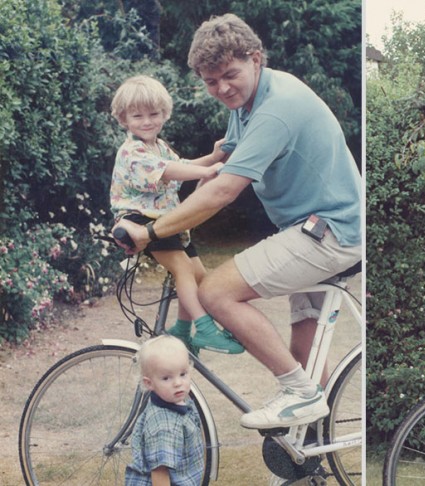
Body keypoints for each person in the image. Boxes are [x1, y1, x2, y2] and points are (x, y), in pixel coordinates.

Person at [114, 14, 361, 430]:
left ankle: (299, 394)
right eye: (211, 82)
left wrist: (152, 231)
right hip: (313, 228)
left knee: (216, 292)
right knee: (304, 346)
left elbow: (224, 190)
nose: (222, 88)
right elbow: (224, 159)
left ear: (255, 58)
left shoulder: (276, 107)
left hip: (329, 231)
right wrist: (209, 159)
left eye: (230, 75)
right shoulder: (248, 104)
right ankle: (308, 454)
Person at [110, 75, 244, 355]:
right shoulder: (132, 151)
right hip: (141, 221)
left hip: (168, 222)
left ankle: (182, 331)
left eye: (154, 114)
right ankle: (204, 328)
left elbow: (181, 165)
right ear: (123, 119)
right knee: (182, 269)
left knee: (197, 274)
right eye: (137, 115)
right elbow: (168, 172)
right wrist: (208, 172)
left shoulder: (158, 146)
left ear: (164, 114)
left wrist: (214, 157)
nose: (147, 121)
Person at [125, 335, 205, 485]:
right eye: (166, 378)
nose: (178, 383)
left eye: (183, 374)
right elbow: (160, 474)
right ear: (149, 383)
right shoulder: (164, 427)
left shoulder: (176, 402)